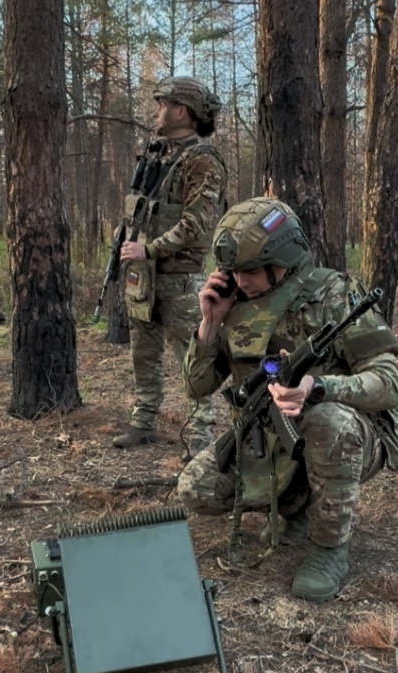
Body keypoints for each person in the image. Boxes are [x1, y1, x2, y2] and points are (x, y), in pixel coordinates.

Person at [178, 197, 398, 602]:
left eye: (249, 270)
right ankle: (297, 509)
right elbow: (196, 387)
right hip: (270, 435)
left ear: (282, 257)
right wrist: (210, 323)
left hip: (352, 434)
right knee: (196, 488)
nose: (240, 279)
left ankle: (329, 551)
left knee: (328, 422)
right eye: (233, 271)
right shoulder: (233, 304)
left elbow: (388, 383)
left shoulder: (333, 294)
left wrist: (320, 388)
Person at [111, 76, 228, 459]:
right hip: (143, 276)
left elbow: (197, 223)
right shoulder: (156, 155)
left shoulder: (203, 160)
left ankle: (200, 433)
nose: (156, 111)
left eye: (162, 104)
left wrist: (150, 248)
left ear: (181, 111)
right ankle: (144, 421)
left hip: (179, 278)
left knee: (191, 359)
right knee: (143, 353)